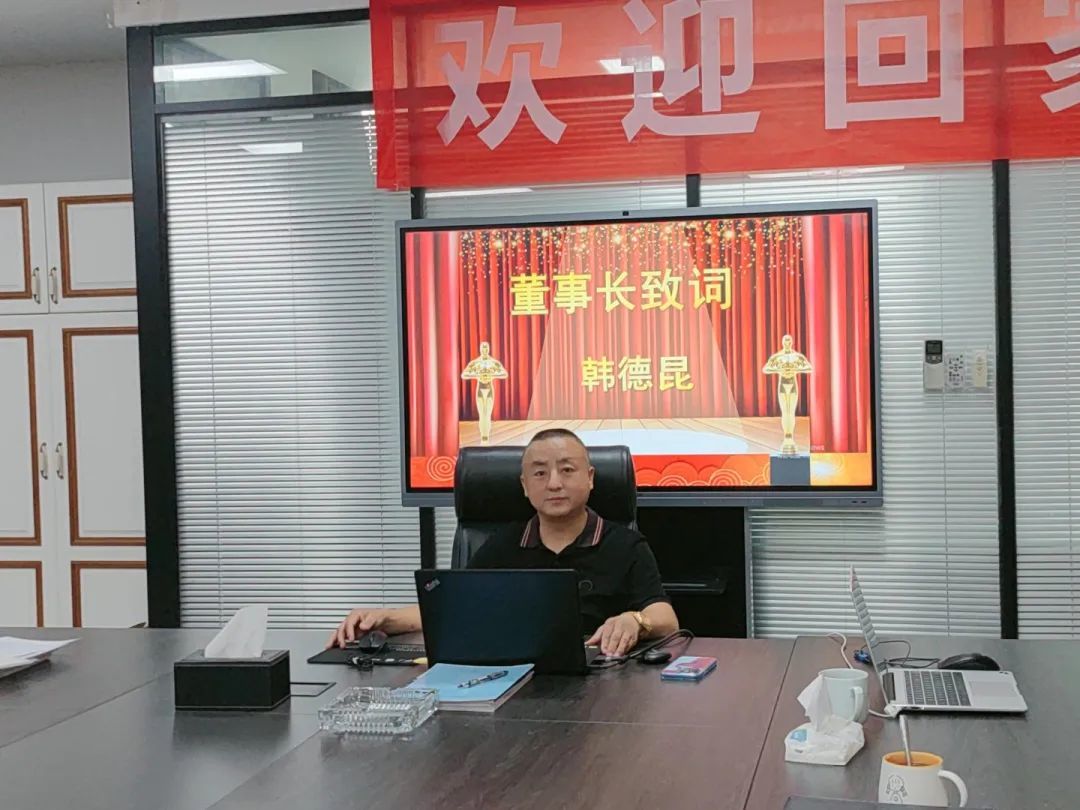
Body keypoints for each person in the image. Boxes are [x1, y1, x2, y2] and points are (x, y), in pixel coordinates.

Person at [328, 428, 679, 657]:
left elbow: (665, 617)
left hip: (600, 677)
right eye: (539, 473)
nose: (554, 483)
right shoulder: (502, 545)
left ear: (590, 479)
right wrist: (383, 618)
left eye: (567, 470)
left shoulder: (625, 545)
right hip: (513, 677)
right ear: (525, 486)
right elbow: (453, 609)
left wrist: (636, 621)